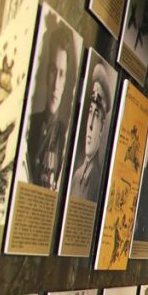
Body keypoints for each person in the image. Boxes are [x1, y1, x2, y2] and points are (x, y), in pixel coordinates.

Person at [24, 21, 75, 189]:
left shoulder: (65, 136)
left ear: (65, 81)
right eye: (53, 71)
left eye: (62, 74)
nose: (56, 85)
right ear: (47, 73)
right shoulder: (30, 124)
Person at [69, 63, 113, 202]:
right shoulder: (76, 176)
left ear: (102, 127)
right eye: (90, 113)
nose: (91, 125)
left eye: (96, 115)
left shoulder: (98, 181)